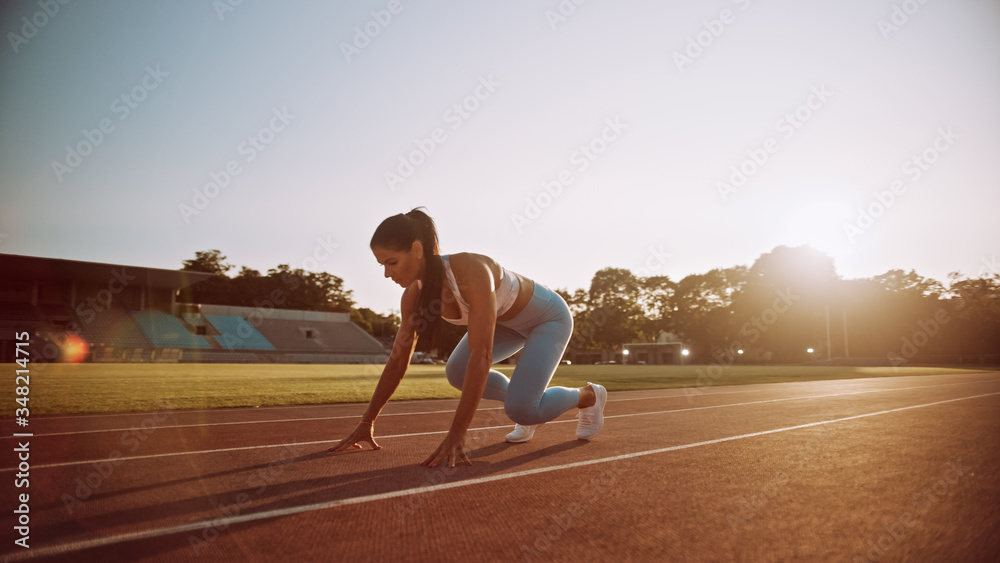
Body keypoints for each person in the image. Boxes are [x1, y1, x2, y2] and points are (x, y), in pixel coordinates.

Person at [329, 208, 606, 468]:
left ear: (416, 249)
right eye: (382, 266)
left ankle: (588, 396)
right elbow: (398, 360)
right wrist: (368, 421)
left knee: (522, 410)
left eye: (392, 262)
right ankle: (529, 402)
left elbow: (482, 355)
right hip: (506, 323)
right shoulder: (413, 296)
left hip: (547, 319)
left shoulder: (470, 270)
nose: (388, 274)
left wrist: (457, 434)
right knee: (457, 372)